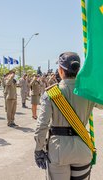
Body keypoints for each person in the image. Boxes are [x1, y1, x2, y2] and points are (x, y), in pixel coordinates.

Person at [34, 52, 103, 180]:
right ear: (78, 70)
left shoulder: (51, 93)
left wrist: (38, 150)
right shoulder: (87, 91)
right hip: (82, 148)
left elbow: (42, 125)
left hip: (59, 152)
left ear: (60, 70)